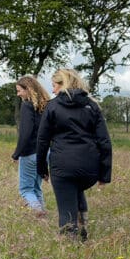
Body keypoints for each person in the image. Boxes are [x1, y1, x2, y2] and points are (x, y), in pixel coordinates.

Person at [36, 68, 112, 240]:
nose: (53, 91)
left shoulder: (53, 106)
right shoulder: (92, 105)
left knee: (66, 207)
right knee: (76, 189)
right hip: (89, 166)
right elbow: (104, 142)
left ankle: (70, 244)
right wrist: (104, 173)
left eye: (54, 86)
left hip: (62, 164)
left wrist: (42, 169)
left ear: (62, 85)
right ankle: (83, 227)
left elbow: (42, 141)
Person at [12, 75, 51, 217]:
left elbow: (25, 133)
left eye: (19, 90)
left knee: (26, 189)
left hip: (30, 153)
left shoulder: (27, 106)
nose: (18, 94)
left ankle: (38, 212)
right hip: (45, 152)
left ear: (28, 89)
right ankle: (43, 218)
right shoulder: (45, 106)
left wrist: (16, 154)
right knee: (36, 187)